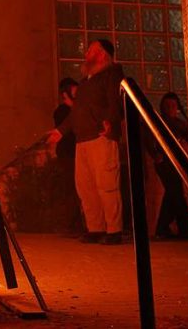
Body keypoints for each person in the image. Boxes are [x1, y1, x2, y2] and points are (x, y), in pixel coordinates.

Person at [48, 39, 125, 245]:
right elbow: (76, 112)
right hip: (82, 140)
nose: (86, 53)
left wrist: (110, 122)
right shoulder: (84, 83)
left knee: (106, 185)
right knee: (86, 187)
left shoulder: (112, 74)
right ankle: (96, 228)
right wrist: (60, 131)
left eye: (91, 50)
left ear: (102, 55)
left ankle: (114, 230)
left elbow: (115, 101)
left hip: (101, 137)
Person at [154, 92, 188, 239]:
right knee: (175, 193)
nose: (170, 108)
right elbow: (149, 139)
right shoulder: (159, 122)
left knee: (173, 193)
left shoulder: (180, 124)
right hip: (164, 162)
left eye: (173, 106)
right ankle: (184, 229)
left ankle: (163, 228)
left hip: (176, 162)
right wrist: (154, 154)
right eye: (168, 106)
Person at [52, 78, 82, 234]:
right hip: (68, 154)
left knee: (76, 189)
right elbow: (68, 130)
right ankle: (70, 225)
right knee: (71, 189)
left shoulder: (74, 109)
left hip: (74, 153)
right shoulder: (62, 112)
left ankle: (75, 224)